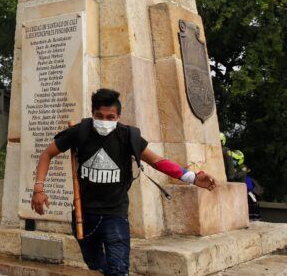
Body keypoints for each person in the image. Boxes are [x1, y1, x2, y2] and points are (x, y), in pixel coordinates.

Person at [31, 88, 217, 275]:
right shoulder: (79, 132)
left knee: (119, 269)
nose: (105, 121)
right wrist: (39, 189)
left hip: (115, 214)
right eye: (99, 116)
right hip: (84, 214)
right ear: (92, 114)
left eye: (110, 117)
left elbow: (157, 161)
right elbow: (47, 153)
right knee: (94, 263)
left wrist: (191, 177)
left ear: (118, 116)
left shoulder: (128, 136)